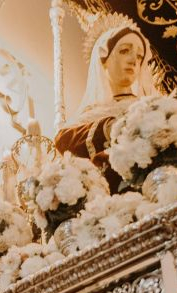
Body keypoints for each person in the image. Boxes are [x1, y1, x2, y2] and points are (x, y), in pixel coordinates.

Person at [54, 18, 155, 193]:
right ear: (103, 60)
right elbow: (63, 142)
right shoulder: (91, 115)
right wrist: (107, 128)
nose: (134, 60)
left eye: (139, 56)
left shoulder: (149, 108)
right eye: (124, 51)